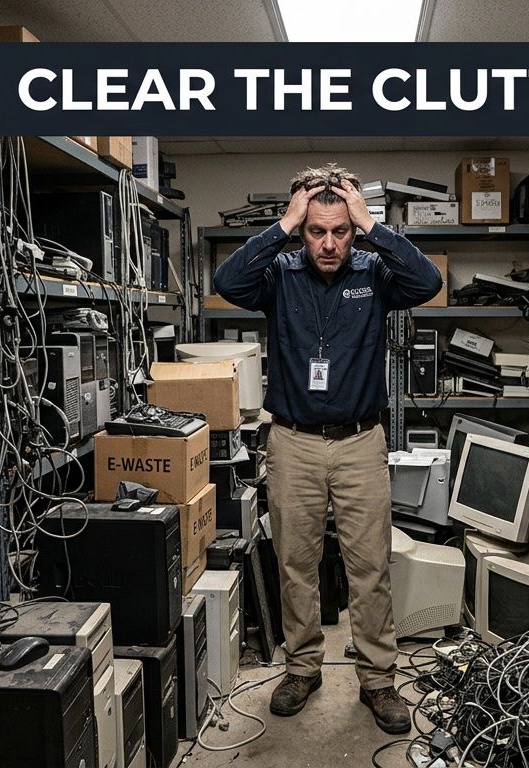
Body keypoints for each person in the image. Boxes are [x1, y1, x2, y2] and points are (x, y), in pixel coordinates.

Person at [213, 164, 441, 734]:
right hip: (293, 443)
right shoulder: (279, 273)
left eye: (341, 230)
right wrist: (282, 225)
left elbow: (428, 283)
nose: (330, 244)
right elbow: (227, 283)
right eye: (316, 231)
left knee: (370, 568)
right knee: (296, 565)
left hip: (361, 442)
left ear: (353, 228)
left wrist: (374, 226)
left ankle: (378, 679)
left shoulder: (374, 271)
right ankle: (302, 668)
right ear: (302, 229)